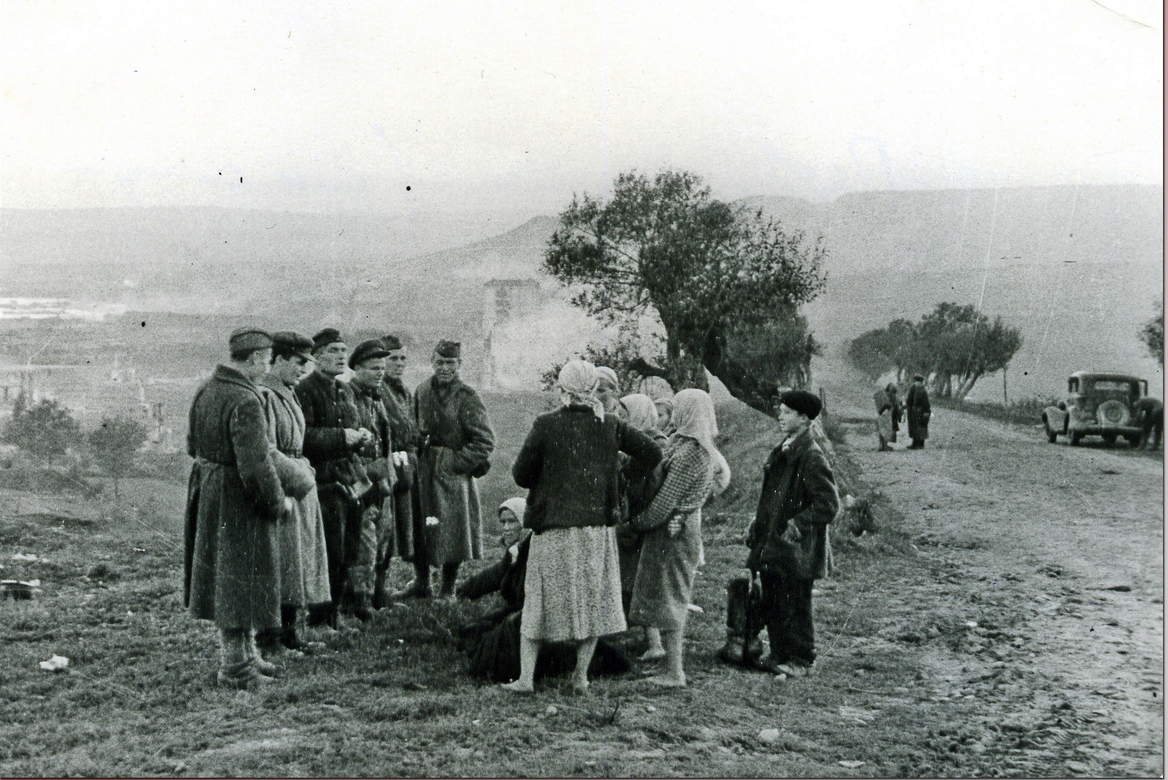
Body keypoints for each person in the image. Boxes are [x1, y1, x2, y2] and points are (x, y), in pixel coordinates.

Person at [503, 361, 661, 694]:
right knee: (591, 600)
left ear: (562, 390)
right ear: (592, 390)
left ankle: (526, 679)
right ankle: (580, 677)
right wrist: (615, 476)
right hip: (596, 529)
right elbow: (652, 451)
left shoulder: (546, 425)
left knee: (541, 600)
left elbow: (520, 475)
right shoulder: (611, 425)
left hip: (554, 527)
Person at [183, 327, 292, 689]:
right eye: (268, 358)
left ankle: (247, 656)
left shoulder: (207, 388)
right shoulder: (246, 399)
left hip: (210, 491)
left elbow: (190, 446)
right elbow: (257, 466)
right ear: (256, 359)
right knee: (238, 579)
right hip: (238, 499)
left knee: (230, 577)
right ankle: (235, 668)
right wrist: (277, 503)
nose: (269, 364)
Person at [456, 499, 633, 683]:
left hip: (544, 619)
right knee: (478, 632)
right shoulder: (514, 553)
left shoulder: (539, 547)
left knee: (500, 650)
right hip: (522, 614)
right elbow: (493, 576)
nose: (506, 528)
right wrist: (463, 590)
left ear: (525, 522)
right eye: (503, 522)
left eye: (512, 521)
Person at [628, 389, 730, 687]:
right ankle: (669, 666)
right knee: (661, 593)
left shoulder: (694, 452)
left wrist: (639, 523)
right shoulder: (680, 443)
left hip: (674, 532)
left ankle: (675, 672)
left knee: (672, 595)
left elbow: (667, 499)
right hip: (666, 529)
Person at [745, 390, 839, 678]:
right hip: (775, 543)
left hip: (798, 548)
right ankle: (779, 653)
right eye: (781, 411)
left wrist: (796, 525)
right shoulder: (784, 449)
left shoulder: (811, 456)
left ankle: (802, 659)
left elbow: (829, 504)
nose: (780, 416)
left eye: (786, 412)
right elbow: (773, 497)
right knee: (774, 597)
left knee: (797, 603)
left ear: (804, 418)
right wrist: (757, 522)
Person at [255, 332, 332, 658]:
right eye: (299, 362)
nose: (303, 369)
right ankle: (270, 639)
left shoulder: (287, 392)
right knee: (279, 563)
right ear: (281, 359)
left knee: (296, 562)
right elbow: (265, 449)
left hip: (299, 480)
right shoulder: (265, 395)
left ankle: (291, 634)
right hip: (284, 485)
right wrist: (296, 477)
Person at [296, 328, 374, 629]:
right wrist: (343, 437)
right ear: (315, 357)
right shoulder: (305, 391)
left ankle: (336, 613)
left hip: (350, 482)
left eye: (344, 350)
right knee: (329, 551)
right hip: (324, 483)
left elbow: (353, 428)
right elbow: (304, 437)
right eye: (333, 351)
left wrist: (363, 437)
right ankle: (319, 618)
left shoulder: (344, 391)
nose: (341, 356)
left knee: (349, 550)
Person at [414, 340, 495, 597]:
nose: (445, 368)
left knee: (453, 529)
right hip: (425, 467)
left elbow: (485, 441)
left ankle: (447, 590)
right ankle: (422, 583)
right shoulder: (422, 391)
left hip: (453, 472)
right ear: (432, 362)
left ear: (459, 364)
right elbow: (414, 426)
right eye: (440, 362)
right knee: (424, 524)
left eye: (450, 363)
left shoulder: (467, 396)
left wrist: (456, 463)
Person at [615, 393, 667, 660]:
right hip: (633, 523)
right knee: (630, 581)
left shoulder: (655, 445)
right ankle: (638, 637)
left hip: (645, 525)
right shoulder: (634, 446)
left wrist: (636, 522)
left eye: (625, 415)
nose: (621, 421)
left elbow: (653, 489)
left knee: (642, 583)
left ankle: (654, 643)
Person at [346, 339, 395, 618]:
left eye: (382, 367)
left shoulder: (376, 398)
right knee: (363, 541)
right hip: (361, 479)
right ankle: (358, 600)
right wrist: (365, 478)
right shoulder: (349, 396)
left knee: (381, 538)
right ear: (358, 369)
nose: (380, 373)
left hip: (380, 479)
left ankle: (375, 593)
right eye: (374, 368)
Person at [377, 335, 426, 601]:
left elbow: (411, 429)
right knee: (383, 529)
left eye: (402, 358)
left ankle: (384, 588)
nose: (398, 364)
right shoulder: (379, 389)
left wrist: (416, 446)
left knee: (400, 529)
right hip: (388, 466)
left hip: (406, 467)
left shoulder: (404, 391)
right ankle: (377, 588)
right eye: (392, 358)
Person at [905, 375, 931, 450]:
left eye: (916, 382)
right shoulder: (915, 389)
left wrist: (926, 412)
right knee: (915, 427)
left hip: (921, 410)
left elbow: (926, 403)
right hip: (915, 410)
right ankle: (915, 443)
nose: (915, 383)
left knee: (921, 427)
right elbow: (909, 399)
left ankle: (920, 444)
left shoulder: (923, 391)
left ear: (920, 382)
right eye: (915, 382)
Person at [873, 382, 901, 451]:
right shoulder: (890, 396)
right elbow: (892, 405)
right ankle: (884, 446)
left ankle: (882, 445)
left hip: (883, 413)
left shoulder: (884, 394)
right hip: (887, 413)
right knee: (885, 429)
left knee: (882, 429)